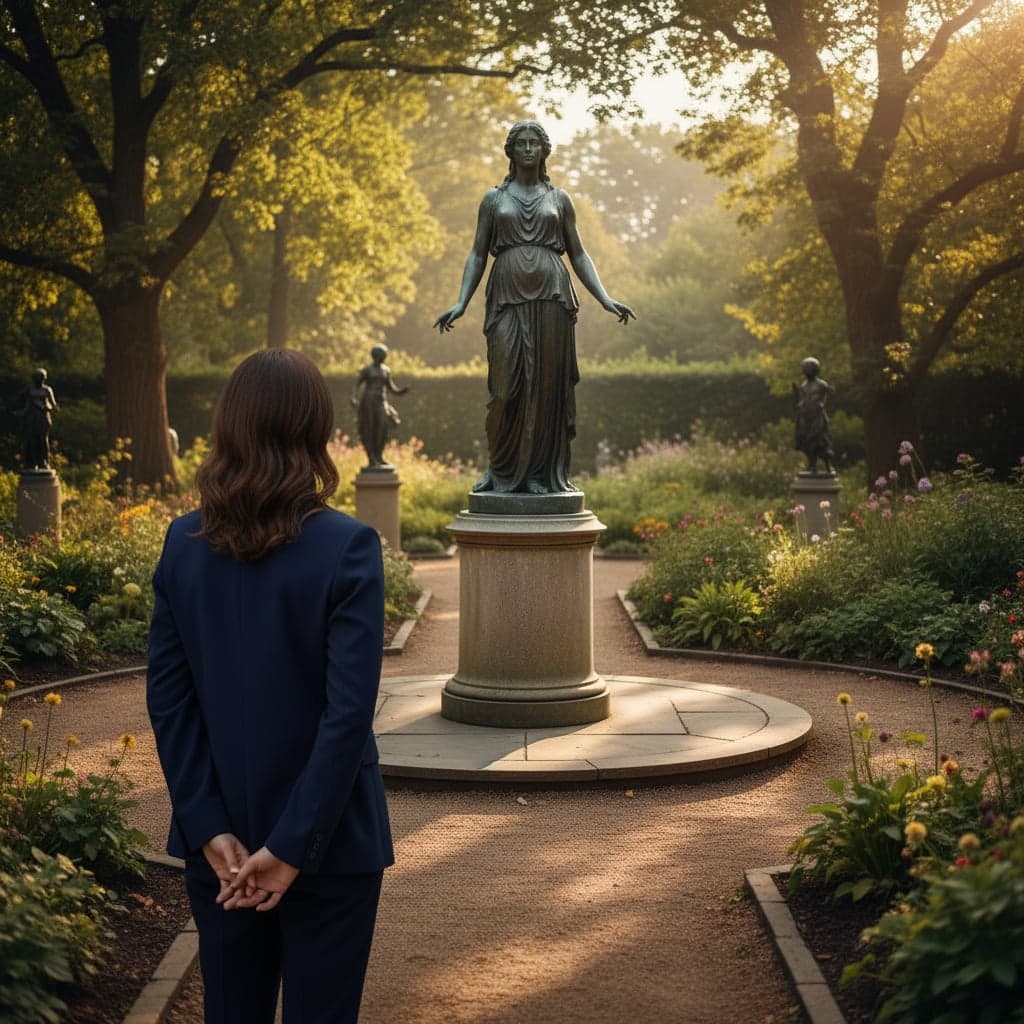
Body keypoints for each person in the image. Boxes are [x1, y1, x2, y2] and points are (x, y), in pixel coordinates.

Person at [147, 349, 393, 1024]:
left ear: (228, 426)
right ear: (314, 430)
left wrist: (207, 828)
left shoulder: (181, 544)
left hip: (220, 843)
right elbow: (346, 717)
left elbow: (170, 701)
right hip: (332, 842)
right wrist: (290, 849)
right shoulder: (348, 546)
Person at [434, 120, 634, 494]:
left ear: (544, 150)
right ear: (510, 150)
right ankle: (500, 470)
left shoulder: (559, 199)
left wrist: (604, 298)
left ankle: (541, 474)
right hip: (507, 294)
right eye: (521, 143)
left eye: (534, 143)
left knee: (545, 389)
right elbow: (478, 253)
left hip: (552, 297)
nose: (527, 148)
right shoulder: (493, 200)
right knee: (505, 388)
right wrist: (461, 301)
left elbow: (579, 253)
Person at [351, 343, 408, 468]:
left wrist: (401, 391)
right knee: (369, 428)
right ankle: (371, 458)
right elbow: (357, 384)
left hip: (381, 401)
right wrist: (354, 397)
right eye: (382, 354)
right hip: (369, 401)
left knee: (383, 427)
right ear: (376, 355)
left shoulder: (386, 370)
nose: (383, 357)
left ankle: (379, 455)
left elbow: (391, 387)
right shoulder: (367, 369)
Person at [793, 356, 835, 474]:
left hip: (817, 417)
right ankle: (812, 465)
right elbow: (803, 400)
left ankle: (828, 465)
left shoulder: (822, 384)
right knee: (807, 441)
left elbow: (828, 397)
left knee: (821, 440)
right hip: (806, 417)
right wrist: (799, 402)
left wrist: (821, 405)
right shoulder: (804, 385)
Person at [22, 367, 58, 470]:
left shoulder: (47, 389)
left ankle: (44, 461)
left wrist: (48, 407)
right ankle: (32, 463)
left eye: (42, 378)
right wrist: (24, 412)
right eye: (38, 378)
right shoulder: (29, 389)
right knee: (32, 440)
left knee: (43, 440)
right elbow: (26, 403)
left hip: (43, 417)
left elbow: (53, 405)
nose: (40, 381)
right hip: (32, 417)